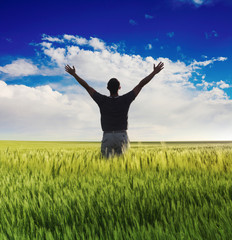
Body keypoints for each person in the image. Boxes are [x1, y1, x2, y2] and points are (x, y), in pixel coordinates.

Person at [65, 62, 164, 158]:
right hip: (122, 136)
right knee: (122, 168)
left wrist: (74, 74)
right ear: (119, 87)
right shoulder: (125, 99)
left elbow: (87, 87)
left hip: (107, 136)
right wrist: (154, 73)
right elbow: (140, 85)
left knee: (106, 167)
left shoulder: (102, 100)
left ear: (107, 88)